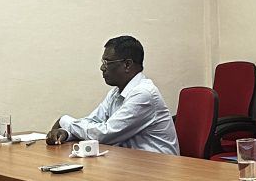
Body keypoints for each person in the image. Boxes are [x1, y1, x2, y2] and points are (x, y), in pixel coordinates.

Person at [47, 36, 180, 155]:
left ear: (127, 64)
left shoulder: (144, 94)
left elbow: (105, 134)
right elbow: (93, 122)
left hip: (158, 167)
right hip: (131, 163)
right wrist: (67, 134)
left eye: (107, 62)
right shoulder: (116, 93)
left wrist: (64, 121)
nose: (102, 68)